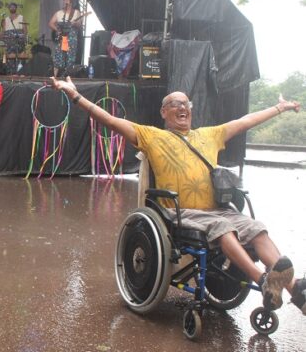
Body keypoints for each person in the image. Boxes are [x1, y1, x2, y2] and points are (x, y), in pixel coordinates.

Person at [50, 76, 306, 316]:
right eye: (175, 103)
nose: (182, 107)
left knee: (256, 228)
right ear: (164, 112)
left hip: (217, 208)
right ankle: (262, 280)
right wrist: (75, 96)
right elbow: (109, 120)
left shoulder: (210, 135)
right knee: (223, 227)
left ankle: (296, 291)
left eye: (186, 103)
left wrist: (279, 108)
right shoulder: (152, 136)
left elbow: (245, 121)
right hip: (179, 212)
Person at [48, 0, 82, 77]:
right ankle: (55, 77)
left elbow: (79, 25)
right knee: (58, 57)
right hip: (61, 38)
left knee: (70, 57)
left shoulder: (76, 12)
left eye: (67, 0)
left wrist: (75, 23)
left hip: (71, 39)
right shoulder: (59, 13)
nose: (65, 2)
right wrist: (57, 30)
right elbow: (50, 23)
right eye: (64, 0)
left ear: (71, 2)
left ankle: (68, 77)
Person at [1, 2, 28, 74]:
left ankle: (20, 73)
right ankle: (10, 73)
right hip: (9, 42)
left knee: (20, 57)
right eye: (10, 7)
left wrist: (24, 39)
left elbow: (25, 31)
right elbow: (3, 32)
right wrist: (3, 39)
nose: (12, 8)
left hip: (19, 41)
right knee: (10, 57)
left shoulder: (21, 17)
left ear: (16, 8)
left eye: (13, 7)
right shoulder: (6, 19)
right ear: (8, 8)